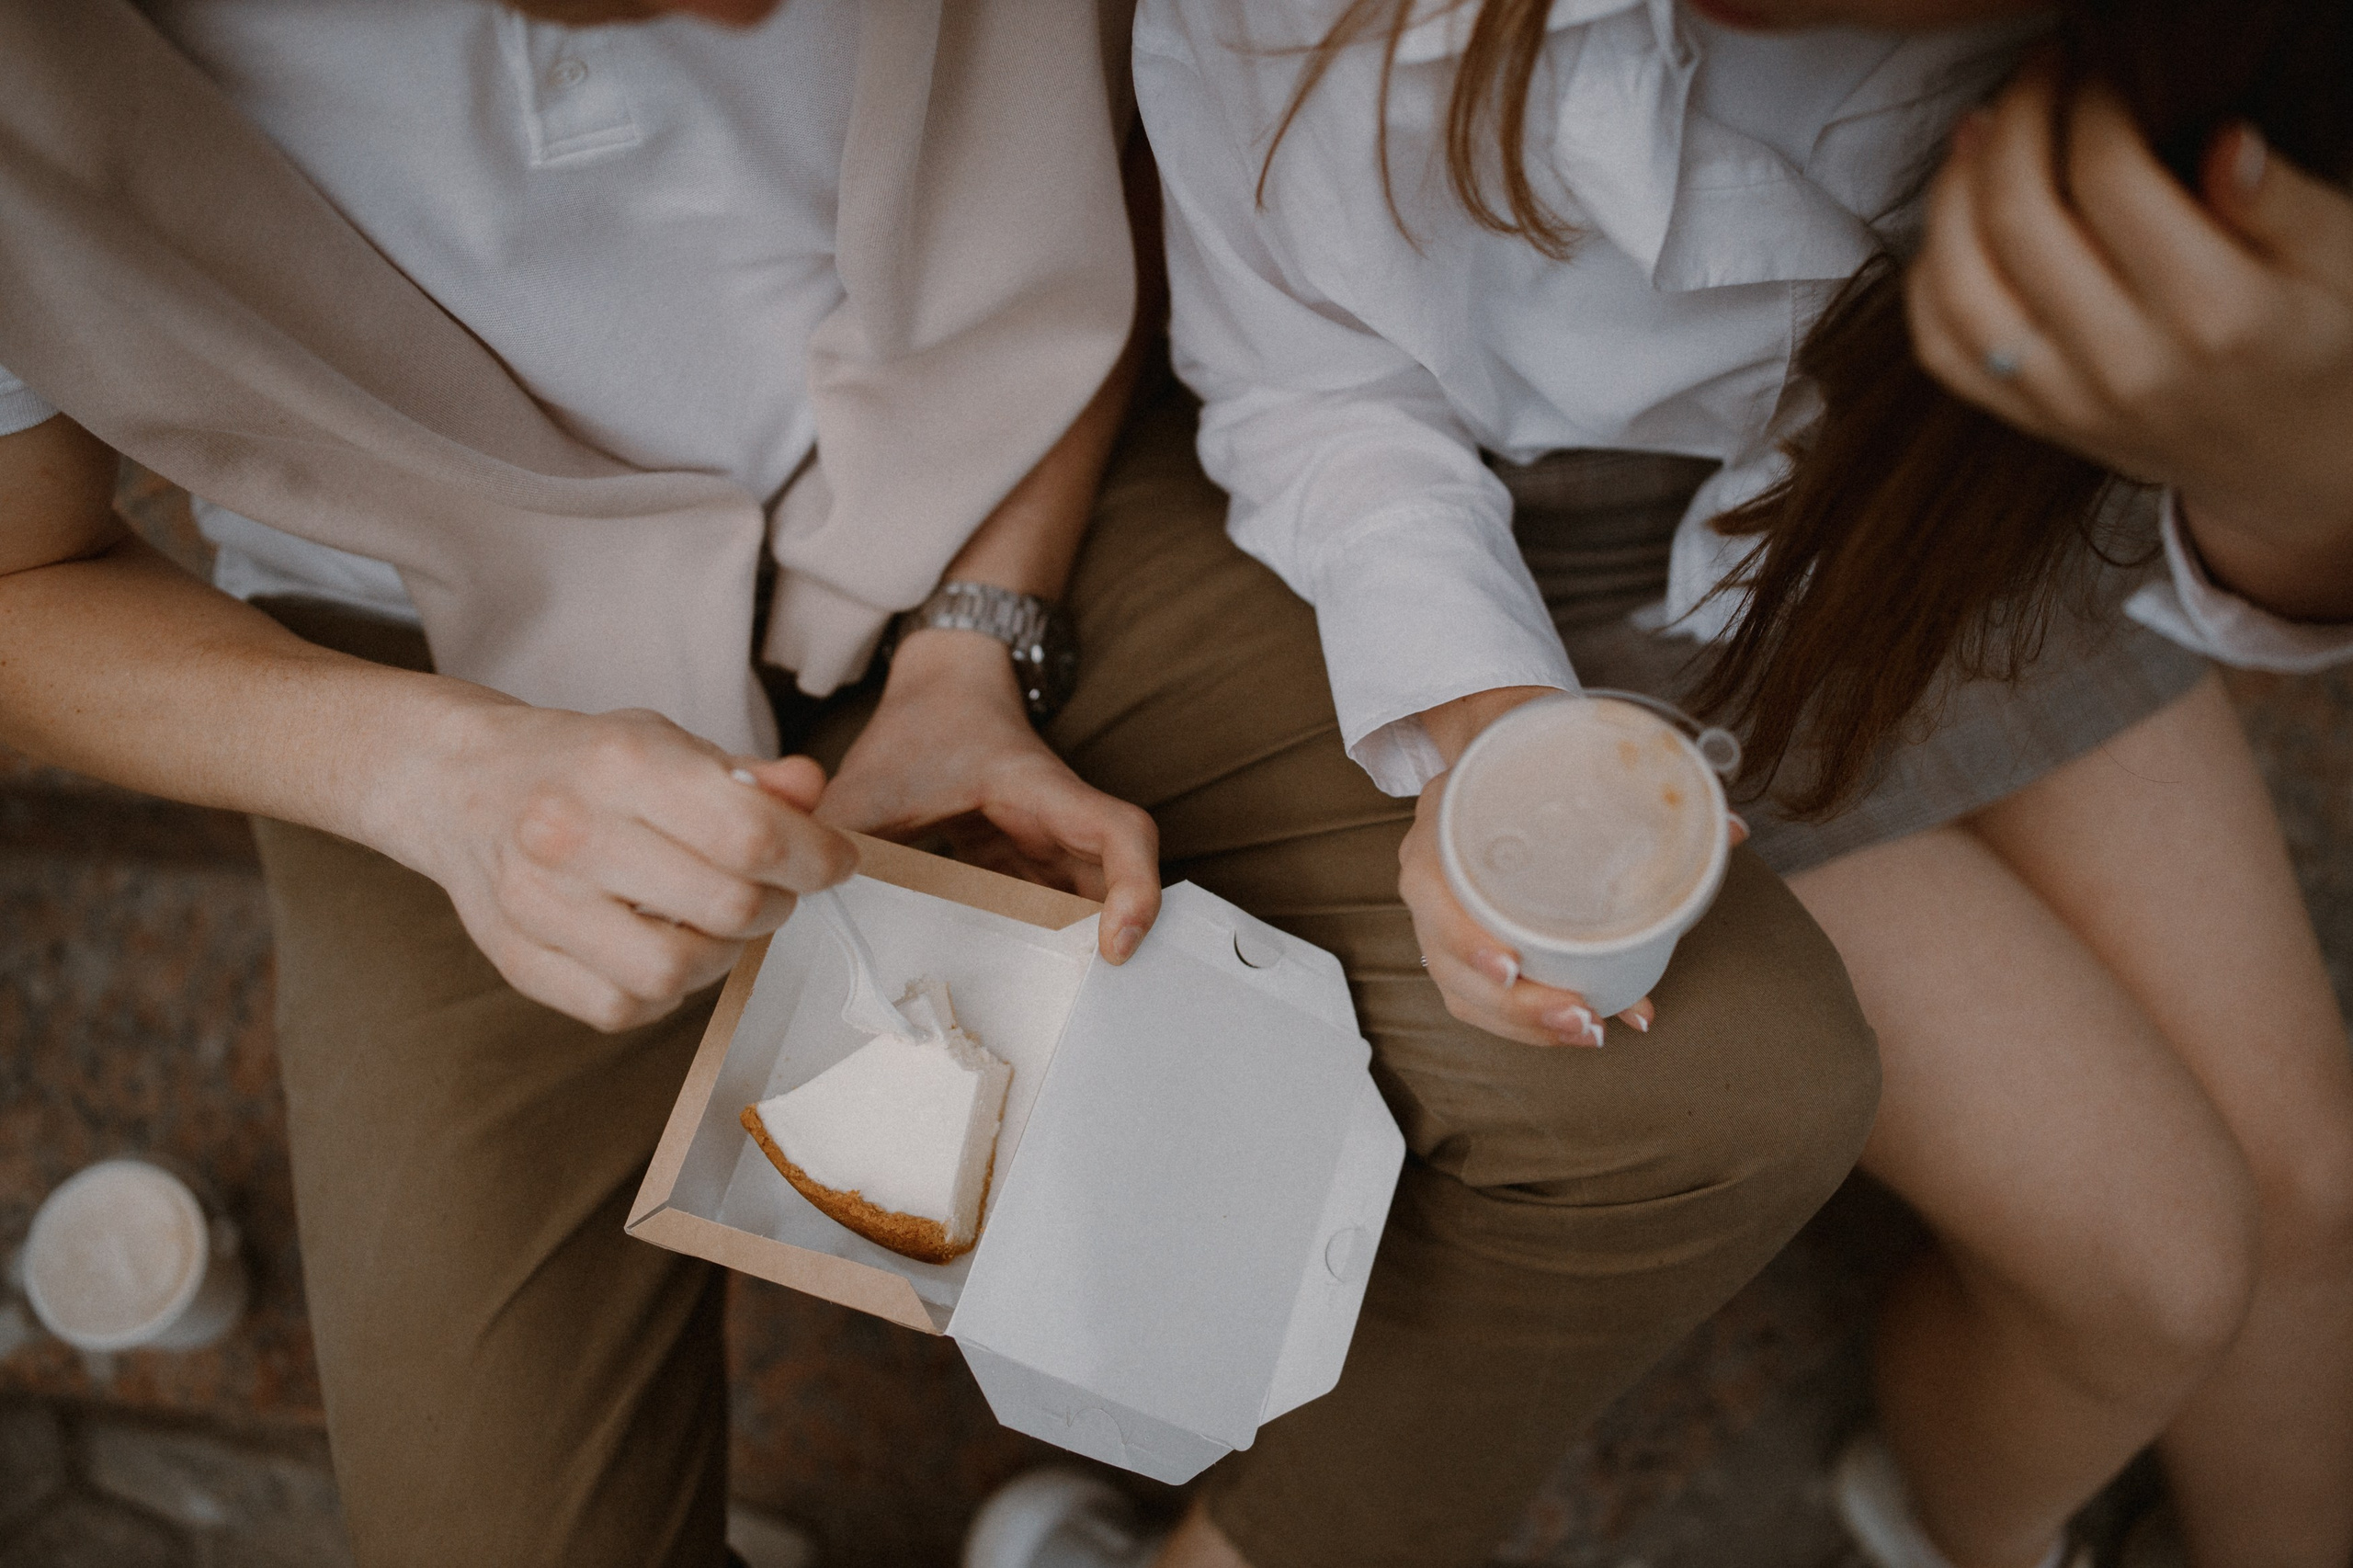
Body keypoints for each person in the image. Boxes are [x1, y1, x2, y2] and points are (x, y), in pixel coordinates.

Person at [1, 0, 1886, 1565]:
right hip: (410, 662)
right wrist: (440, 780)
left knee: (1721, 1080)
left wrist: (982, 630)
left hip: (997, 515)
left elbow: (1126, 148)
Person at [978, 2, 2353, 1567]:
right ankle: (1977, 1528)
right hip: (1542, 567)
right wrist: (1494, 735)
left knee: (2310, 1198)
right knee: (2163, 1266)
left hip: (1952, 493)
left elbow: (2239, 550)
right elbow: (1315, 389)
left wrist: (2304, 478)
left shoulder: (2227, 75)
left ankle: (1993, 1517)